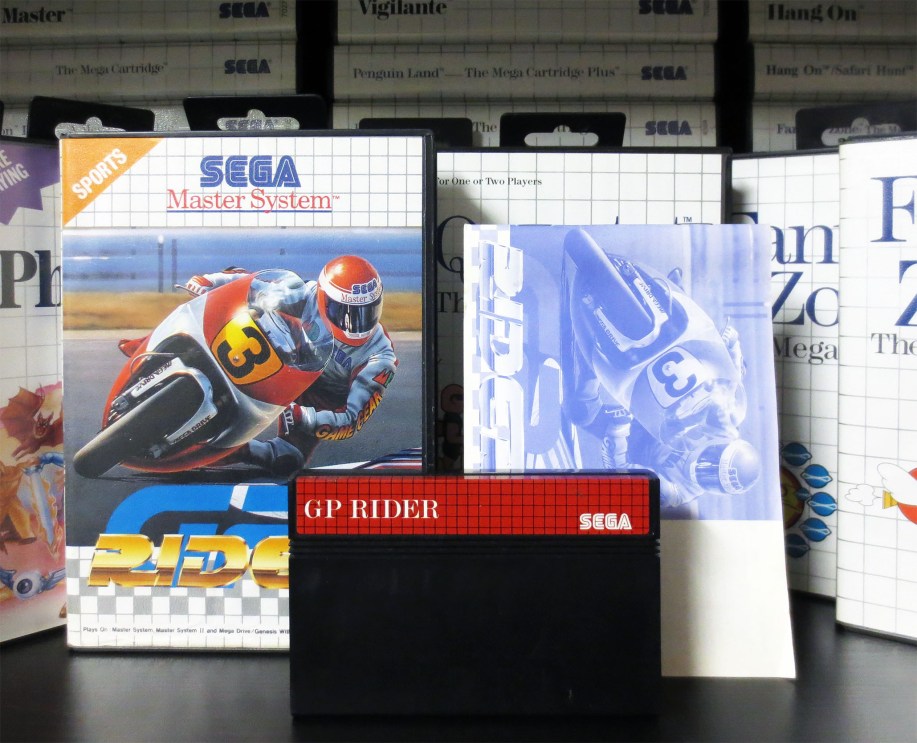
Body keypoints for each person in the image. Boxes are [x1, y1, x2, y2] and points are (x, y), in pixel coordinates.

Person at [185, 256, 397, 475]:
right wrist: (212, 282)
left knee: (288, 460)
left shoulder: (380, 357)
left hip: (320, 399)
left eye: (367, 312)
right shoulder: (308, 295)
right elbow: (256, 285)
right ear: (323, 298)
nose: (356, 324)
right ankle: (191, 352)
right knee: (257, 310)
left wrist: (306, 417)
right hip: (288, 354)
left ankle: (202, 453)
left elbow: (352, 419)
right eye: (345, 311)